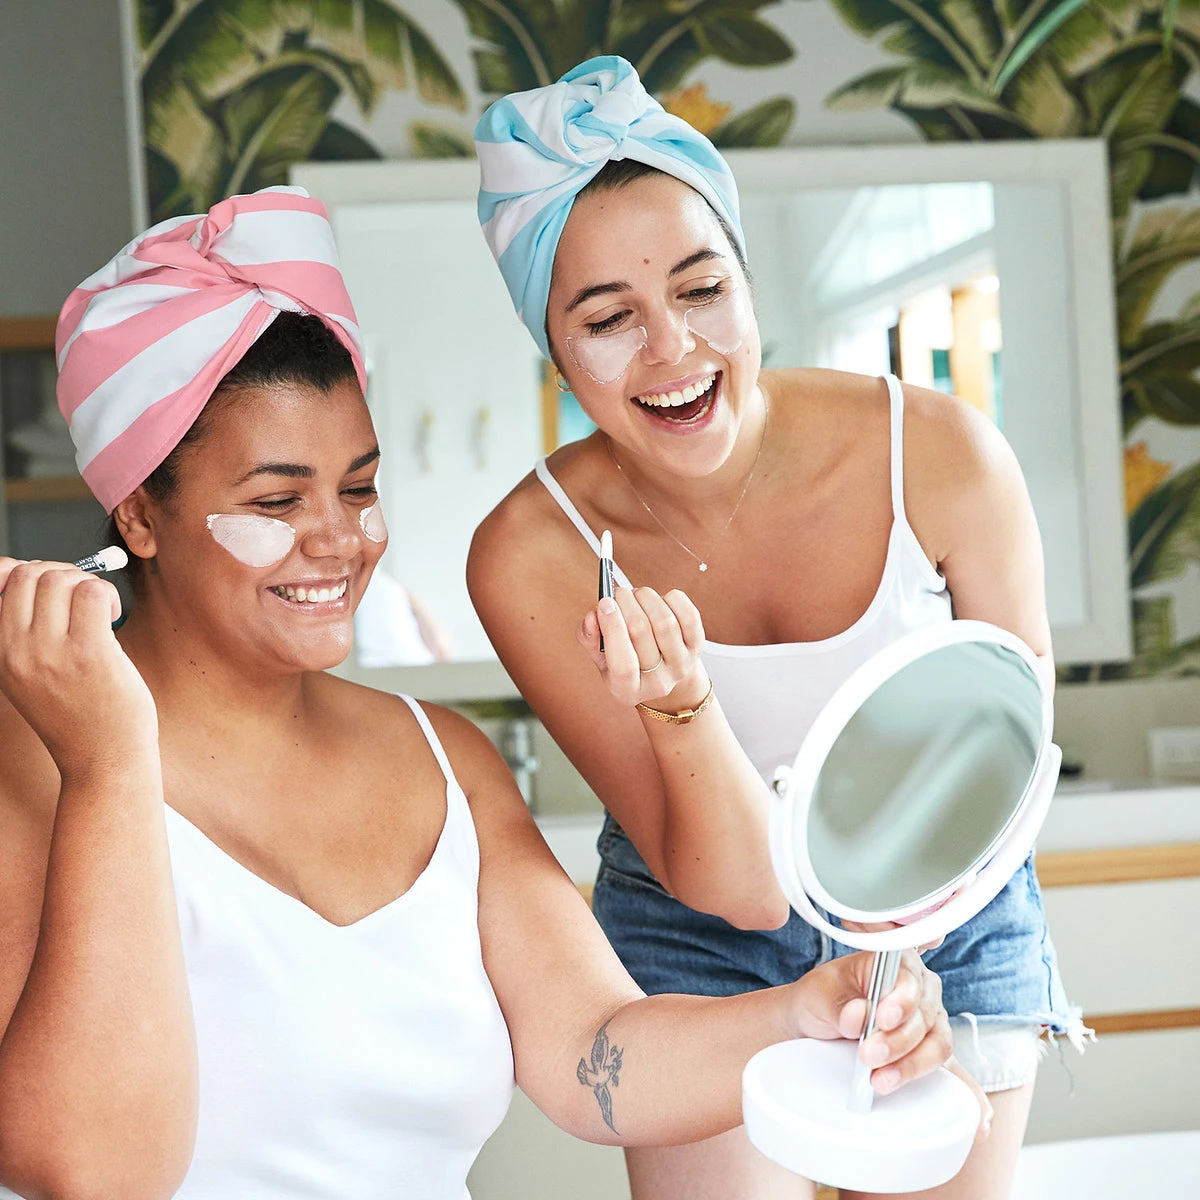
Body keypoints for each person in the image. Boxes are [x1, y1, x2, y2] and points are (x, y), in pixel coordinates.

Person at [0, 187, 966, 1200]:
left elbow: (594, 1053)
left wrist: (803, 1015)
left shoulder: (443, 760)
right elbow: (89, 1170)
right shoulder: (40, 768)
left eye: (360, 489)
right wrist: (111, 764)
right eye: (278, 500)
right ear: (139, 517)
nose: (340, 539)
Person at [467, 57, 1087, 1200]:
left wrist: (900, 954)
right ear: (553, 347)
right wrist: (682, 710)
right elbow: (746, 893)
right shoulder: (531, 556)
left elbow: (1008, 758)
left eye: (702, 289)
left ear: (749, 284)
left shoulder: (942, 455)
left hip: (945, 901)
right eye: (608, 318)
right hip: (699, 930)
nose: (672, 349)